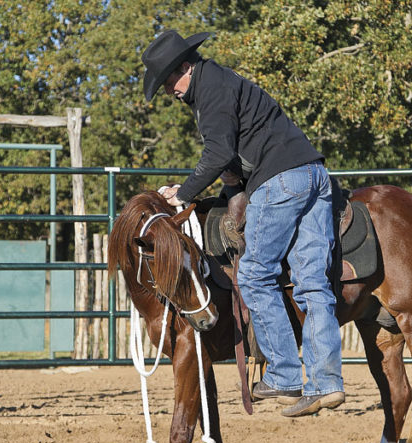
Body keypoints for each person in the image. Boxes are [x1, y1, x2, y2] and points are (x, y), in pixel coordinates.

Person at [141, 30, 343, 417]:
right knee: (313, 283)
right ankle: (326, 383)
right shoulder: (223, 81)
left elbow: (218, 152)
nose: (169, 91)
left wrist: (184, 194)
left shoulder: (210, 90)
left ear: (185, 68)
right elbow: (232, 158)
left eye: (169, 81)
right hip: (314, 174)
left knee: (254, 274)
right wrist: (212, 186)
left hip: (279, 180)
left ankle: (284, 375)